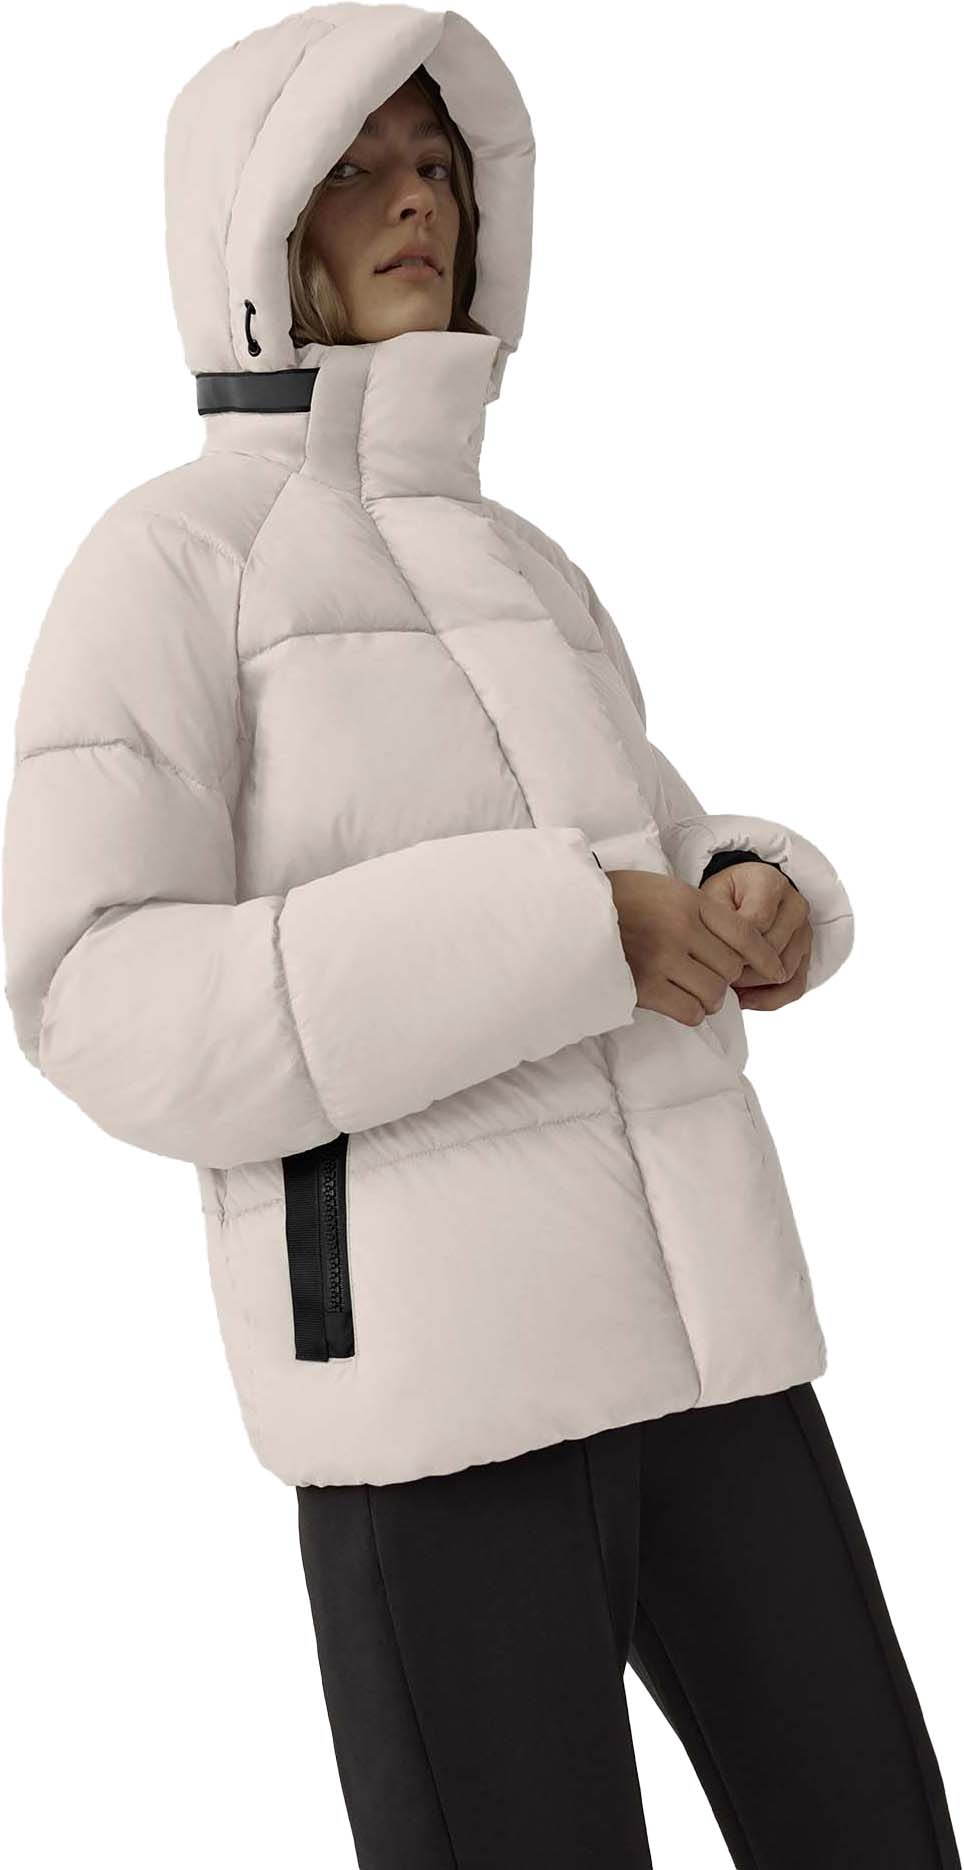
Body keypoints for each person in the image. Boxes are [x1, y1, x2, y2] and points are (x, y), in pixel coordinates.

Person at [2, 5, 958, 1866]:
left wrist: (747, 885)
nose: (415, 198)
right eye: (354, 165)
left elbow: (645, 840)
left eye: (436, 161)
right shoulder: (169, 562)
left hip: (711, 1361)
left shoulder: (523, 564)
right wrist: (563, 931)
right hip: (439, 1413)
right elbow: (92, 987)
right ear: (255, 224)